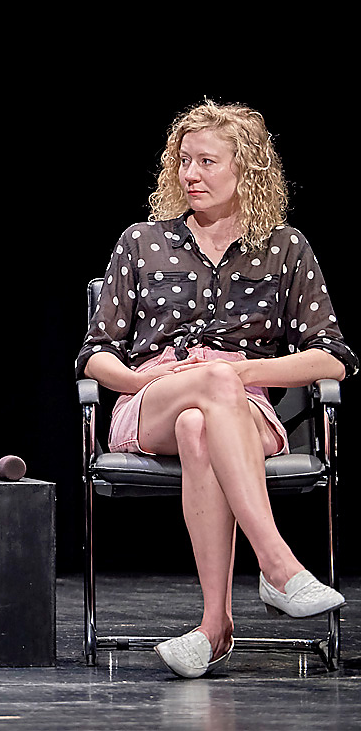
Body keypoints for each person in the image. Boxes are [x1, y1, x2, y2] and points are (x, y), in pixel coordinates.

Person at [77, 100, 356, 679]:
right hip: (153, 395)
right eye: (184, 162)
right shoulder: (143, 241)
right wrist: (136, 378)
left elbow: (333, 356)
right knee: (195, 400)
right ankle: (277, 565)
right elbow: (94, 352)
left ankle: (213, 628)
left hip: (240, 405)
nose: (191, 175)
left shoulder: (285, 248)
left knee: (200, 420)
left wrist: (245, 372)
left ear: (246, 169)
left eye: (207, 162)